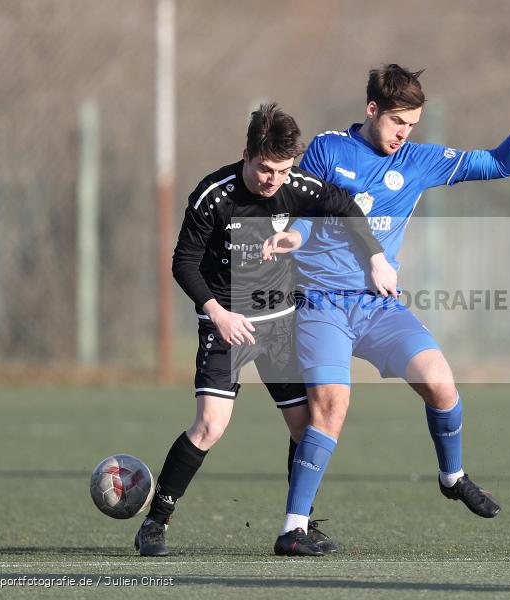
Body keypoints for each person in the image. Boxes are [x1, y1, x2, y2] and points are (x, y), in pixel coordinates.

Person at [263, 64, 510, 555]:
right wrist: (296, 235)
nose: (404, 133)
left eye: (412, 125)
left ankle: (452, 475)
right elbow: (307, 212)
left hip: (378, 306)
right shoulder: (328, 149)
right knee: (331, 409)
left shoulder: (421, 160)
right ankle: (294, 528)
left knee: (441, 383)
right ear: (372, 109)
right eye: (397, 121)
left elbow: (501, 163)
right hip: (321, 302)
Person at [134, 103, 397, 556]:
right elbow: (183, 263)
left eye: (283, 169)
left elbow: (344, 206)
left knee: (305, 426)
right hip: (227, 323)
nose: (274, 179)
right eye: (265, 169)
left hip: (278, 322)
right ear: (247, 154)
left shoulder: (294, 185)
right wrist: (217, 312)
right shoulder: (213, 195)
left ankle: (299, 523)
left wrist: (374, 255)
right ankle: (155, 523)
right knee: (210, 425)